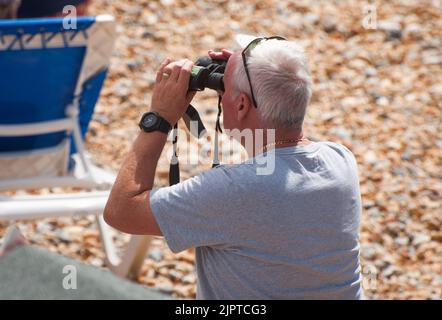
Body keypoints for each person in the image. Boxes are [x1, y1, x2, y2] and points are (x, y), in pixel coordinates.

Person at [104, 37, 364, 299]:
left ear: (240, 105)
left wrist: (159, 118)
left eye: (224, 89)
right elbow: (272, 160)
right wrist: (245, 78)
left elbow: (120, 211)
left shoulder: (233, 191)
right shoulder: (341, 161)